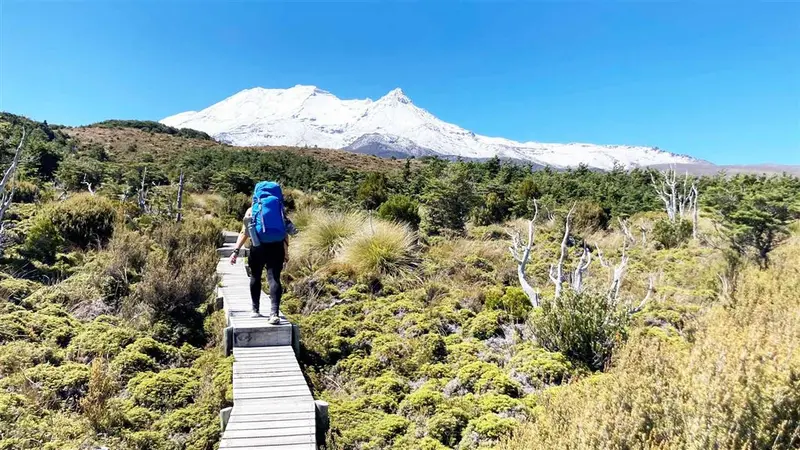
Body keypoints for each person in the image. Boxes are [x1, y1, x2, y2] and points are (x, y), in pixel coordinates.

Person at [229, 182, 294, 324]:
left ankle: (255, 310)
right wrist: (286, 252)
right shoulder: (280, 210)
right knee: (274, 279)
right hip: (276, 247)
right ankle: (274, 313)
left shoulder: (252, 210)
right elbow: (284, 233)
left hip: (257, 247)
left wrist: (236, 251)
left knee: (255, 277)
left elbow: (244, 232)